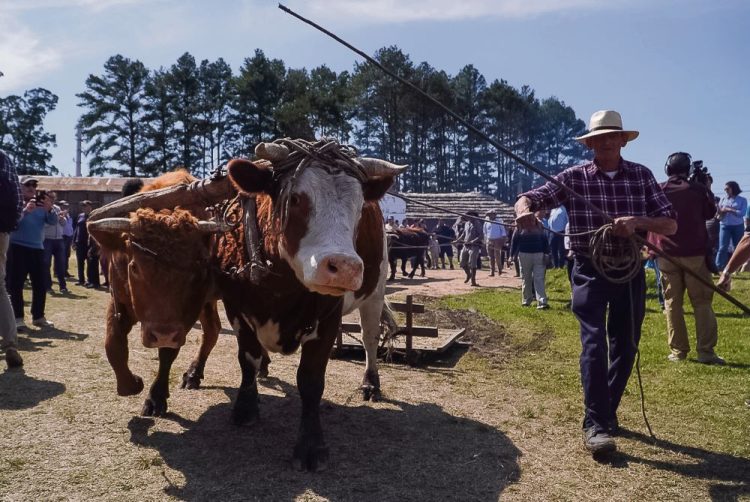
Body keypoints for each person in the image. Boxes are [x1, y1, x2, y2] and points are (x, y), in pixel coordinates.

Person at [515, 110, 677, 455]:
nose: (604, 143)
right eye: (597, 138)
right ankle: (595, 423)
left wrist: (636, 222)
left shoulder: (642, 176)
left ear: (622, 140)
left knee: (627, 344)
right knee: (594, 343)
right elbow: (532, 197)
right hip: (589, 267)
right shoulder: (575, 177)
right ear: (589, 143)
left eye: (611, 137)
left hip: (630, 269)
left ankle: (606, 411)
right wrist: (523, 210)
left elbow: (669, 224)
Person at [651, 152, 722, 364]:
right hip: (694, 254)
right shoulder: (698, 190)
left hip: (666, 254)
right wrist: (706, 188)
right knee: (701, 303)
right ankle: (706, 352)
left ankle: (678, 351)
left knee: (672, 303)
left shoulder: (659, 189)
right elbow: (710, 213)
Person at [8, 174, 58, 331]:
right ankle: (18, 319)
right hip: (17, 248)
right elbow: (11, 223)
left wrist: (49, 209)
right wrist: (25, 211)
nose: (31, 188)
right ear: (21, 187)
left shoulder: (42, 206)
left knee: (40, 284)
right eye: (27, 185)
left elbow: (53, 222)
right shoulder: (15, 203)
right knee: (16, 285)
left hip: (37, 248)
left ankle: (38, 317)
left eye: (34, 186)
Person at [0, 151, 24, 367]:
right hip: (1, 231)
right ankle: (10, 345)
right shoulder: (3, 156)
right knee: (0, 287)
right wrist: (8, 228)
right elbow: (17, 198)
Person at [510, 210, 549, 308]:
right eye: (526, 218)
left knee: (539, 278)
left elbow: (545, 241)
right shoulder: (519, 228)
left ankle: (542, 301)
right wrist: (511, 255)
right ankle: (527, 299)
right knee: (525, 278)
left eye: (530, 218)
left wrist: (547, 253)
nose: (528, 220)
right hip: (524, 255)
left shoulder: (540, 227)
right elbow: (514, 242)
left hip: (539, 254)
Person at [715, 181, 747, 270]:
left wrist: (729, 209)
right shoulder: (723, 199)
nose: (725, 190)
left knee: (738, 247)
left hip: (737, 226)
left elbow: (742, 213)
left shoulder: (742, 200)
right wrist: (718, 209)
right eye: (725, 189)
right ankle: (718, 267)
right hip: (724, 225)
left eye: (727, 188)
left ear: (734, 188)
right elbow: (720, 213)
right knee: (722, 247)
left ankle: (738, 267)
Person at [42, 191, 69, 294]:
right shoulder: (42, 209)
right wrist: (55, 219)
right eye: (50, 198)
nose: (52, 200)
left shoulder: (57, 208)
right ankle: (48, 286)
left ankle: (63, 286)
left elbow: (63, 224)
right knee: (46, 264)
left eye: (53, 198)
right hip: (47, 239)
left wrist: (62, 219)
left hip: (59, 239)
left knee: (61, 264)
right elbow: (43, 225)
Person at [458, 211, 482, 286]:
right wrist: (457, 240)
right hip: (466, 245)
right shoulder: (466, 223)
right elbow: (464, 234)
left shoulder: (477, 223)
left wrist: (473, 241)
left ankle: (473, 281)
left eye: (469, 216)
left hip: (474, 246)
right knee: (462, 263)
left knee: (472, 263)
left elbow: (481, 235)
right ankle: (469, 274)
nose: (468, 217)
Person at [72, 200, 93, 286]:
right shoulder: (80, 216)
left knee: (89, 263)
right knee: (80, 263)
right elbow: (76, 229)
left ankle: (89, 280)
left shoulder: (93, 216)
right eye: (83, 206)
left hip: (89, 243)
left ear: (90, 207)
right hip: (79, 242)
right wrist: (73, 241)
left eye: (86, 206)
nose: (84, 208)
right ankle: (81, 280)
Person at [483, 209, 507, 276]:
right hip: (489, 239)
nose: (490, 216)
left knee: (497, 256)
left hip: (497, 240)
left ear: (494, 215)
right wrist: (485, 240)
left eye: (491, 215)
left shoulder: (499, 221)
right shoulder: (486, 221)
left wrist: (503, 240)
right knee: (490, 256)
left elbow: (503, 231)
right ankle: (492, 271)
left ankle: (499, 269)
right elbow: (484, 231)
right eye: (489, 215)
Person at [59, 200, 75, 279]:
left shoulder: (69, 216)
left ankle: (65, 271)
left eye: (67, 206)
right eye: (64, 206)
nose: (66, 208)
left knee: (67, 255)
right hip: (62, 236)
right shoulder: (59, 215)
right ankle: (60, 271)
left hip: (68, 237)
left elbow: (70, 227)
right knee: (62, 255)